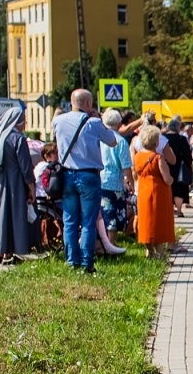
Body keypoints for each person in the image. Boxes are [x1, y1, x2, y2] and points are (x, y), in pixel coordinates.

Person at [51, 89, 121, 273]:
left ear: (71, 102)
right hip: (88, 176)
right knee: (89, 222)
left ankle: (71, 261)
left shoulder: (58, 120)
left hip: (66, 175)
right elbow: (113, 141)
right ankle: (86, 263)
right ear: (89, 103)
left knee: (70, 220)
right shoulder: (94, 123)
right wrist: (97, 119)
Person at [0, 105, 34, 265]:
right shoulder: (18, 139)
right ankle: (9, 253)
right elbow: (25, 167)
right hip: (14, 183)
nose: (25, 124)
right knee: (14, 215)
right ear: (18, 122)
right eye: (24, 121)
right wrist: (31, 187)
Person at [133, 124, 176, 259]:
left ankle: (149, 251)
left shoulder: (138, 156)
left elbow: (136, 173)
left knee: (146, 220)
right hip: (158, 192)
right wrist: (172, 179)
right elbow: (167, 178)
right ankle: (160, 253)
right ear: (156, 142)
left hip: (143, 191)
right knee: (159, 222)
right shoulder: (158, 158)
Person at [100, 110, 134, 236]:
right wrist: (131, 184)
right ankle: (111, 244)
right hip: (115, 183)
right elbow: (126, 167)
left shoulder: (99, 140)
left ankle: (103, 244)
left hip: (100, 180)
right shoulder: (120, 142)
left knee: (103, 214)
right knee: (113, 216)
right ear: (119, 123)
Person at [165, 116, 193, 217]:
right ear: (177, 127)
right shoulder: (182, 139)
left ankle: (169, 209)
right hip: (179, 168)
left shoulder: (163, 138)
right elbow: (187, 154)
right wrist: (190, 164)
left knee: (168, 187)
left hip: (165, 166)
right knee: (179, 189)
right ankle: (178, 210)